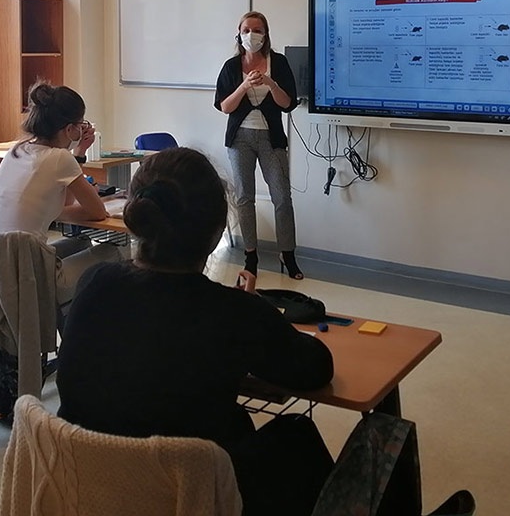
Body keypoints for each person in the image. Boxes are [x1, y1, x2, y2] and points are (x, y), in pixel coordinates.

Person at [57, 147, 335, 516]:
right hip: (190, 496)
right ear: (217, 232)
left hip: (89, 491)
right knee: (296, 436)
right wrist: (258, 315)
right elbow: (316, 368)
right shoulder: (235, 313)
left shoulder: (95, 282)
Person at [0, 81, 118, 307]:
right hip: (27, 274)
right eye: (81, 124)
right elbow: (97, 212)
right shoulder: (59, 158)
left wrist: (79, 152)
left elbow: (63, 205)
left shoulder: (17, 150)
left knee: (81, 243)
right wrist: (89, 194)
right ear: (70, 129)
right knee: (111, 252)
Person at [214, 11, 304, 282]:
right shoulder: (231, 66)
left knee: (282, 197)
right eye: (246, 30)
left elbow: (287, 104)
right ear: (239, 34)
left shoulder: (279, 62)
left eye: (257, 30)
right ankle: (250, 255)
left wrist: (270, 83)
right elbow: (224, 106)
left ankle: (287, 253)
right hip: (239, 138)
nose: (251, 35)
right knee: (245, 197)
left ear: (265, 35)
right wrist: (244, 86)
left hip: (271, 137)